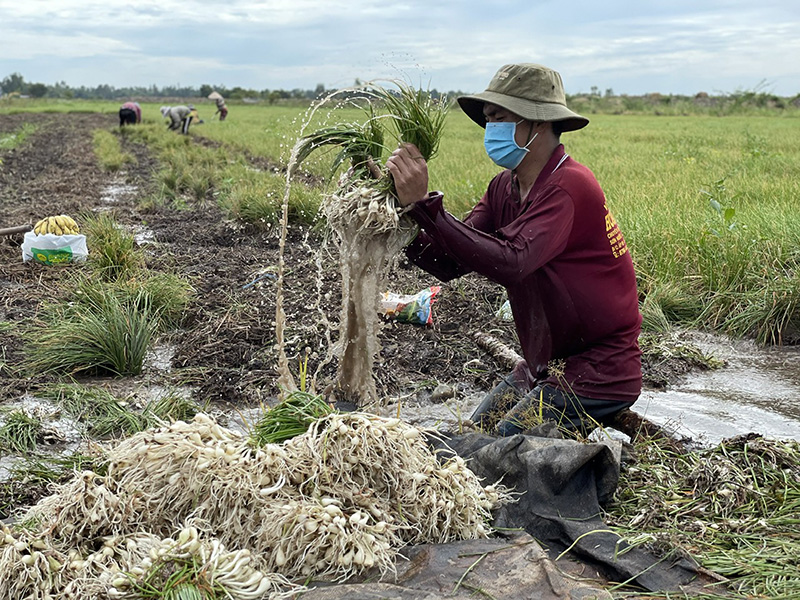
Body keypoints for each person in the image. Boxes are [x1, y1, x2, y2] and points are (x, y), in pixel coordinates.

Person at [385, 63, 642, 436]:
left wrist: (427, 206)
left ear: (536, 122)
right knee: (473, 433)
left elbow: (512, 261)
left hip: (599, 371)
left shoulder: (569, 187)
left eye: (499, 117)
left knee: (501, 444)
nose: (490, 129)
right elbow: (451, 262)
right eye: (488, 119)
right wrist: (399, 216)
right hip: (541, 366)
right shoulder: (504, 187)